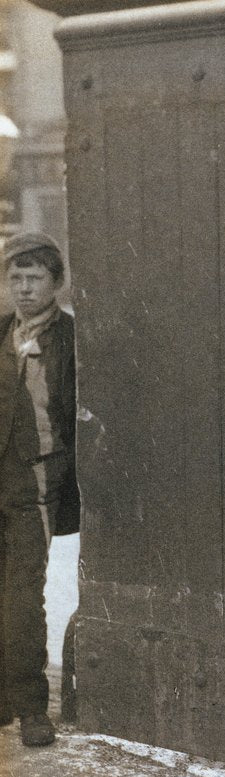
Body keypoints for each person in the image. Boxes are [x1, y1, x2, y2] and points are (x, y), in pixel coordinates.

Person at [0, 232, 78, 747]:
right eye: (15, 278)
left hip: (37, 481)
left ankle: (32, 708)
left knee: (23, 596)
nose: (24, 288)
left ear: (56, 283)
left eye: (34, 278)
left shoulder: (72, 339)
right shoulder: (1, 331)